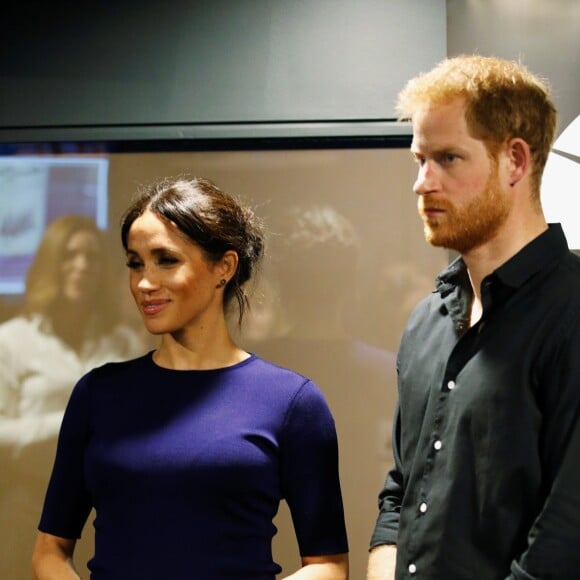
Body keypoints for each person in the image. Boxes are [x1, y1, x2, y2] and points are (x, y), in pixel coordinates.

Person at [32, 177, 349, 579]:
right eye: (135, 263)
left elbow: (329, 566)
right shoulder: (98, 394)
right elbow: (49, 551)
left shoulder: (291, 401)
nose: (145, 283)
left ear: (224, 267)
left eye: (166, 260)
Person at [367, 55, 580, 579]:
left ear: (515, 161)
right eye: (419, 160)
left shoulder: (572, 308)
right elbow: (402, 489)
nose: (423, 183)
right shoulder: (427, 321)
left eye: (447, 159)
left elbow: (567, 532)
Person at [253, 203, 397, 579]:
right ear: (350, 281)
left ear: (281, 283)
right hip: (367, 549)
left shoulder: (250, 372)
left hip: (275, 554)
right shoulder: (386, 371)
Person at [0, 214, 141, 580]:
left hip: (110, 510)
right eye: (69, 255)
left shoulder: (123, 343)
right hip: (30, 505)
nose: (81, 266)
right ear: (51, 263)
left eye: (92, 258)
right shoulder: (11, 341)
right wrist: (69, 424)